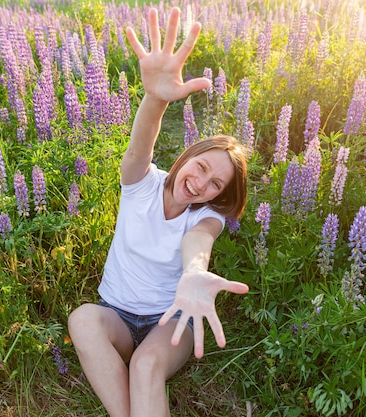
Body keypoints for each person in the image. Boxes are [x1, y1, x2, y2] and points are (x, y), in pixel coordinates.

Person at [67, 7, 250, 417]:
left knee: (146, 365)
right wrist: (155, 98)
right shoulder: (141, 182)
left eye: (215, 185)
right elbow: (139, 146)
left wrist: (194, 274)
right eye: (202, 167)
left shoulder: (206, 216)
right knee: (81, 319)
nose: (201, 184)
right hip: (116, 314)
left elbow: (198, 242)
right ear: (189, 156)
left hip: (171, 318)